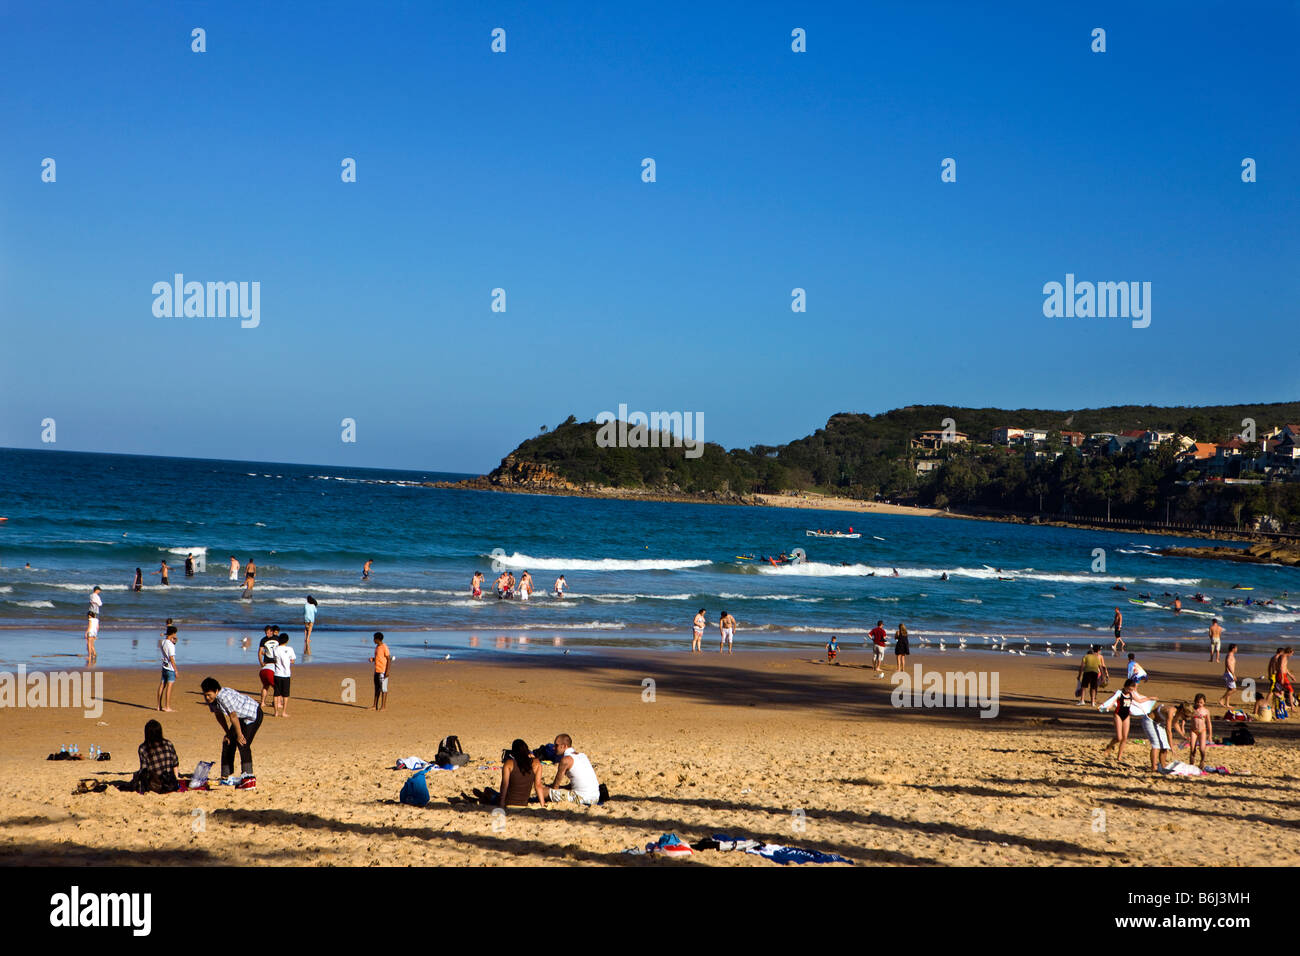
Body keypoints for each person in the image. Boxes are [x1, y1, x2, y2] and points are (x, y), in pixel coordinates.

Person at [201, 677, 263, 780]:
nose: (207, 697)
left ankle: (248, 775)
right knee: (227, 742)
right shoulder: (212, 700)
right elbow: (219, 715)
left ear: (216, 691)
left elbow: (233, 716)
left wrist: (239, 735)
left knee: (243, 743)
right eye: (205, 695)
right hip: (240, 717)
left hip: (253, 714)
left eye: (209, 695)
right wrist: (228, 733)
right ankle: (225, 774)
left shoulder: (224, 697)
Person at [475, 739, 547, 808]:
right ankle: (482, 797)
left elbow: (504, 785)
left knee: (488, 791)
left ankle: (482, 798)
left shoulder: (509, 764)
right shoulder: (537, 764)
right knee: (490, 794)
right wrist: (542, 804)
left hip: (509, 802)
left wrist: (502, 802)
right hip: (523, 803)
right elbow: (538, 786)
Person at [1099, 678, 1149, 763]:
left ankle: (1119, 756)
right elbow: (1112, 700)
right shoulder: (1119, 693)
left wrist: (1150, 698)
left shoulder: (1131, 694)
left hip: (1126, 716)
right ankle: (1109, 746)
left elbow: (1139, 700)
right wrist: (1107, 706)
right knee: (1119, 737)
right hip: (1118, 715)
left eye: (1132, 689)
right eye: (1129, 689)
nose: (1130, 691)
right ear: (1125, 686)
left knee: (1125, 737)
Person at [545, 734, 601, 805]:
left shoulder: (566, 760)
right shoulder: (583, 755)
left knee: (543, 791)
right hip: (595, 797)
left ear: (564, 746)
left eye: (556, 745)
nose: (553, 748)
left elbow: (555, 787)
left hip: (582, 798)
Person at [132, 719, 180, 794]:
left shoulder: (143, 748)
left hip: (155, 786)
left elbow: (144, 769)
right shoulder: (168, 744)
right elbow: (175, 764)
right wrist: (176, 780)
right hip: (170, 783)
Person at [272, 632, 296, 717]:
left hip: (277, 674)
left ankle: (276, 712)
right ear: (287, 641)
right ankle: (284, 712)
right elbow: (293, 660)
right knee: (285, 694)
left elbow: (275, 659)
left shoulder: (275, 649)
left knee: (276, 693)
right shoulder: (290, 649)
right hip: (286, 674)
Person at [257, 626, 279, 711]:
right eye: (266, 633)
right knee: (275, 686)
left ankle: (263, 702)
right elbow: (259, 652)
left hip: (273, 664)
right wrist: (261, 662)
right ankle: (275, 703)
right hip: (269, 664)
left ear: (272, 632)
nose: (267, 634)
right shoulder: (263, 640)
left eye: (269, 632)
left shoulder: (277, 639)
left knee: (266, 686)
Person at [158, 625, 179, 711]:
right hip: (170, 668)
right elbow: (172, 659)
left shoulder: (163, 642)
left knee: (162, 685)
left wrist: (174, 641)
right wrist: (176, 670)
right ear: (173, 633)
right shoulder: (170, 645)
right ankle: (167, 706)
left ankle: (159, 706)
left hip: (164, 666)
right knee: (169, 687)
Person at [1190, 694, 1212, 769]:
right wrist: (1183, 727)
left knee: (1202, 749)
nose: (1199, 704)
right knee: (1192, 748)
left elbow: (1209, 723)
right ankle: (1191, 763)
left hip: (1202, 731)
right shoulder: (1192, 710)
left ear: (1204, 703)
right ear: (1195, 702)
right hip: (1193, 730)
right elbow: (1185, 718)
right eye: (1198, 702)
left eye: (1201, 702)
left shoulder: (1206, 711)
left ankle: (1202, 760)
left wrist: (1210, 735)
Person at [370, 632, 390, 711]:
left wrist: (387, 671)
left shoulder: (384, 647)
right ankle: (374, 705)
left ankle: (383, 707)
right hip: (377, 670)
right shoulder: (377, 647)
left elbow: (388, 659)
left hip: (383, 671)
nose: (373, 640)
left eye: (374, 638)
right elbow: (379, 657)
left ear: (378, 639)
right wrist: (373, 659)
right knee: (377, 688)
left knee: (383, 689)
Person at [1218, 643, 1238, 708]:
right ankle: (1222, 699)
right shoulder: (1230, 655)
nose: (1237, 649)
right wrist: (1233, 674)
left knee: (1229, 689)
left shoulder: (1231, 655)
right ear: (1233, 649)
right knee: (1233, 689)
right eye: (1236, 648)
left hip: (1229, 674)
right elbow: (1228, 665)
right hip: (1229, 674)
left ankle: (1227, 704)